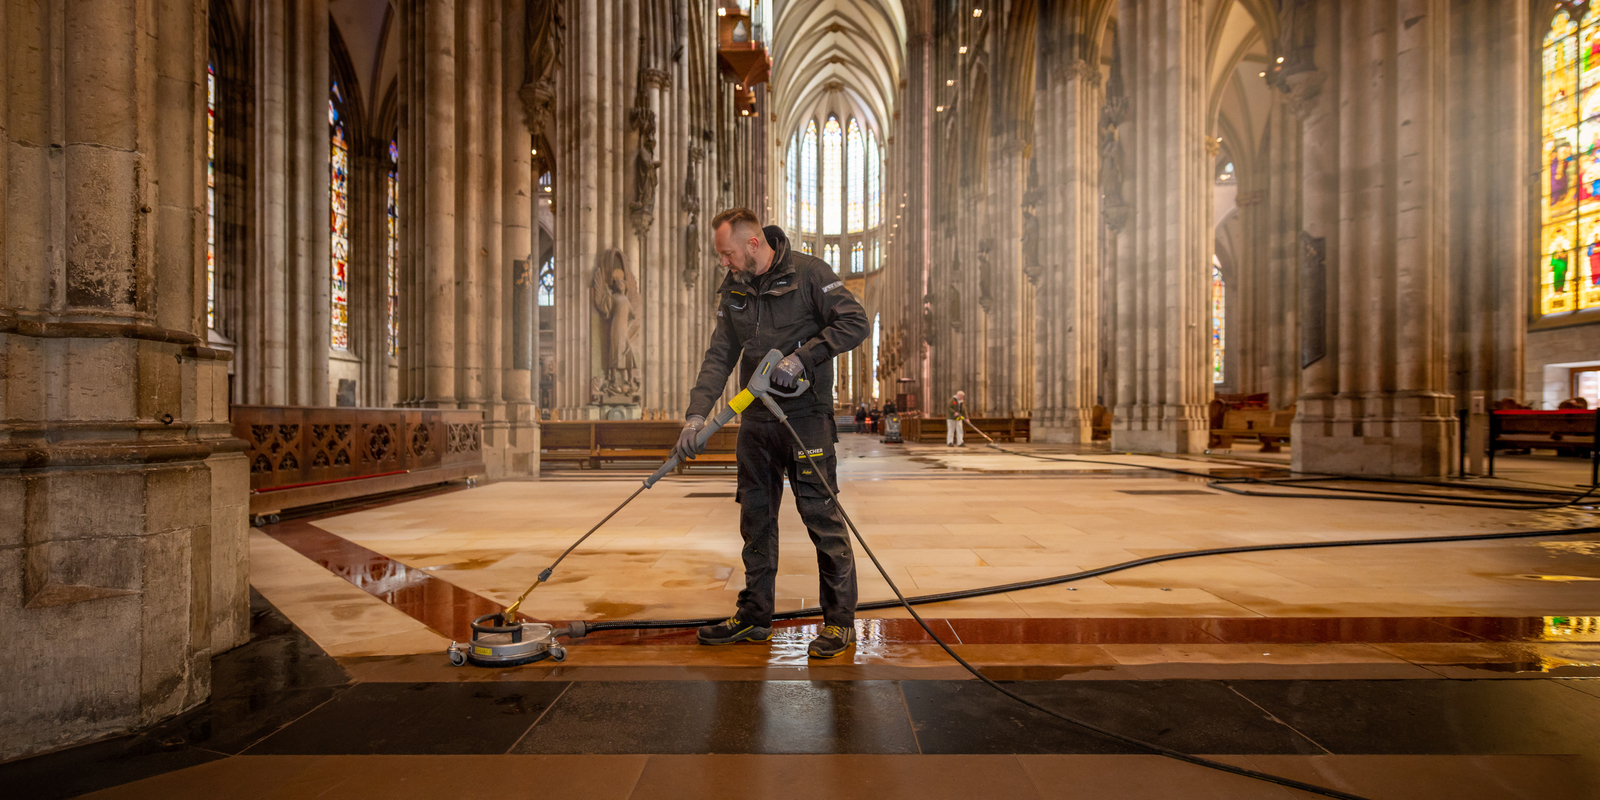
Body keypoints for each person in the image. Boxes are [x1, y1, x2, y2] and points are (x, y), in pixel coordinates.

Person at [672, 208, 869, 659]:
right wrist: (696, 416)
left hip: (805, 420)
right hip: (756, 421)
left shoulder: (810, 274)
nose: (723, 262)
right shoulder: (735, 289)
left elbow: (854, 322)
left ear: (753, 245)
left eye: (727, 254)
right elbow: (719, 355)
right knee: (755, 521)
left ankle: (839, 623)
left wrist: (804, 357)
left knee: (822, 518)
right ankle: (755, 615)